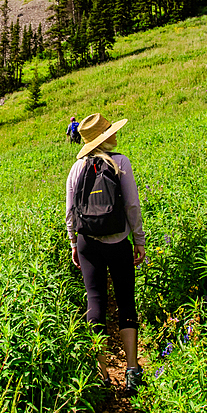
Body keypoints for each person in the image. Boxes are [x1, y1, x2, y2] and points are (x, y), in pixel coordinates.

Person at [66, 112, 146, 392]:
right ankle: (133, 370)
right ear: (106, 136)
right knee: (126, 301)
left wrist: (74, 243)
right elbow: (132, 206)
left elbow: (69, 212)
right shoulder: (120, 162)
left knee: (95, 301)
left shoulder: (76, 168)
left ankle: (102, 374)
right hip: (119, 240)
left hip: (88, 242)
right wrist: (139, 240)